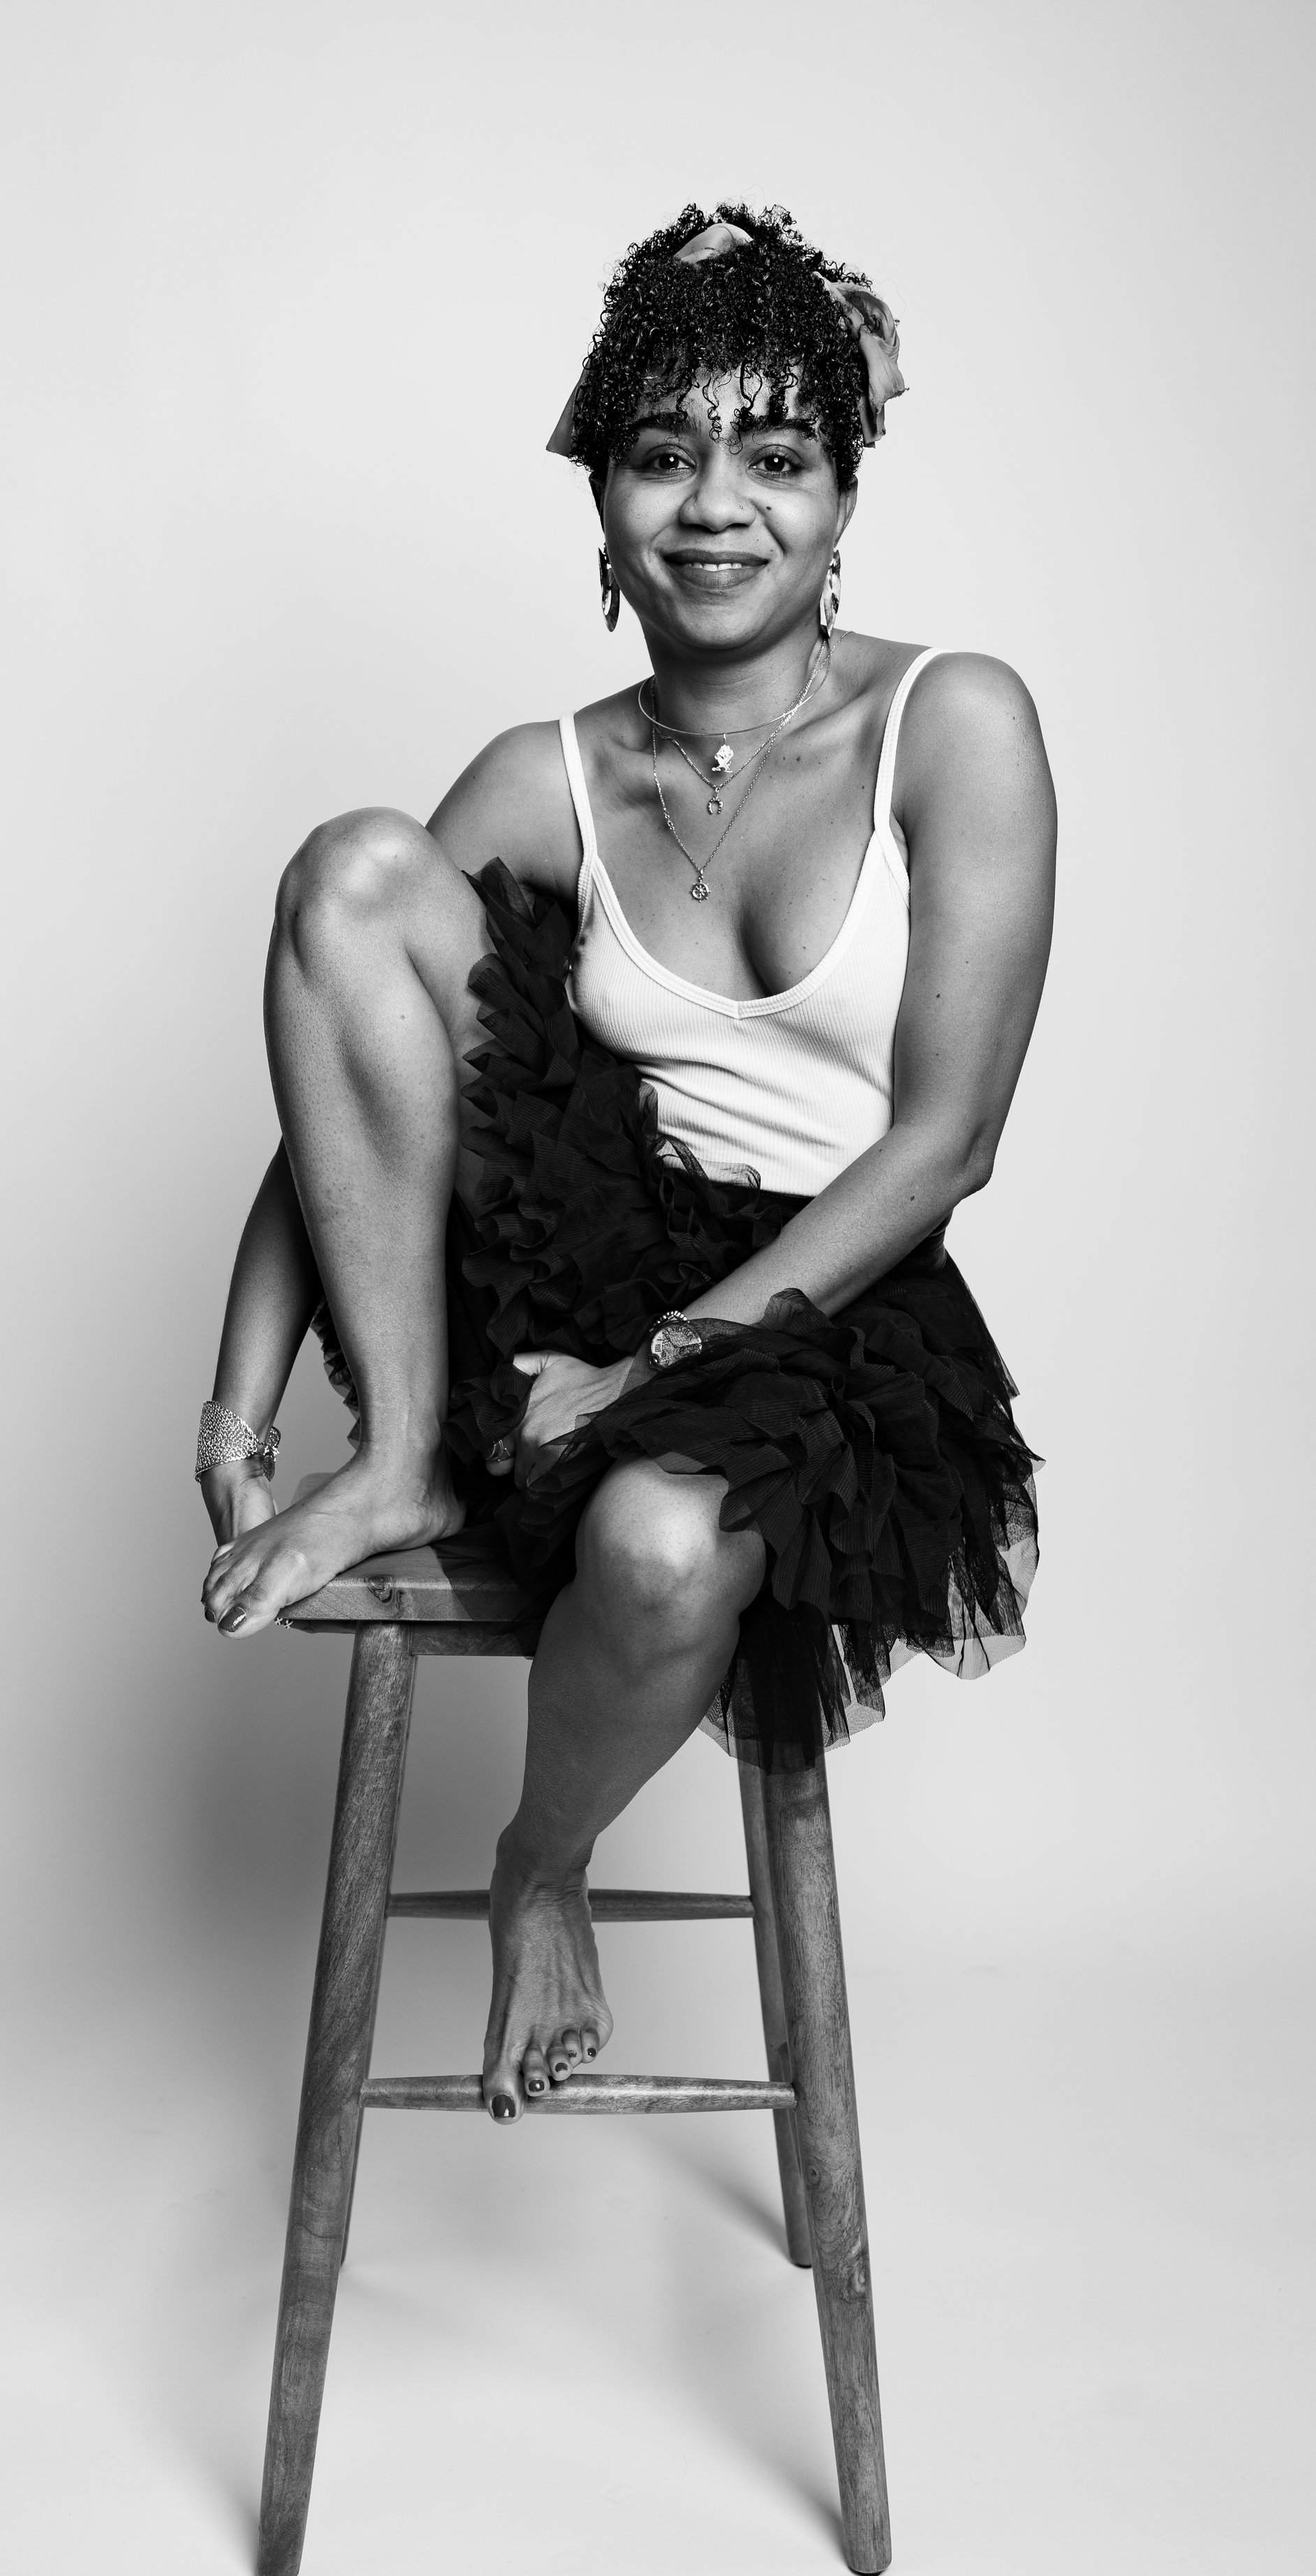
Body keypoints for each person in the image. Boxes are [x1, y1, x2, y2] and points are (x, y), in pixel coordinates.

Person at [194, 204, 1055, 2123]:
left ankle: (539, 1865)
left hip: (827, 1295)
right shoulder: (547, 774)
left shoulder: (953, 724)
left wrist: (654, 1370)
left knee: (665, 1543)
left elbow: (947, 1142)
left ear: (843, 499)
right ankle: (403, 1456)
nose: (716, 505)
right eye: (663, 455)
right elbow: (350, 1047)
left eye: (777, 455)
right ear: (598, 504)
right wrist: (243, 1392)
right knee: (351, 869)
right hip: (574, 1254)